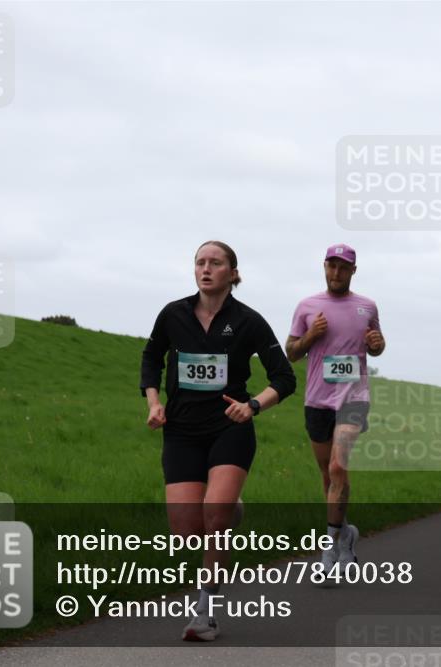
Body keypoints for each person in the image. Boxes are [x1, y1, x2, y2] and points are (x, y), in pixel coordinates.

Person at [140, 241, 296, 641]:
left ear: (233, 273)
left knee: (215, 516)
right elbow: (151, 358)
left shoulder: (249, 321)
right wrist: (154, 402)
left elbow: (284, 377)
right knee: (186, 531)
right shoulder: (173, 314)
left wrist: (253, 406)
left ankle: (205, 613)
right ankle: (230, 510)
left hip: (230, 426)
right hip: (182, 430)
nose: (206, 268)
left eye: (215, 263)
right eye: (200, 262)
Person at [286, 244, 385, 576]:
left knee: (338, 466)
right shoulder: (307, 306)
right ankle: (345, 535)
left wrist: (377, 345)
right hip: (317, 400)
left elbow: (377, 344)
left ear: (353, 271)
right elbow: (291, 352)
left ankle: (327, 550)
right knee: (329, 476)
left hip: (354, 398)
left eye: (343, 267)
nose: (336, 272)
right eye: (332, 266)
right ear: (324, 266)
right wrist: (311, 335)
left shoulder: (367, 306)